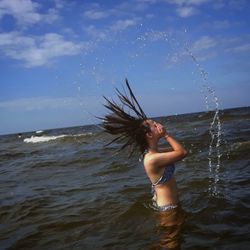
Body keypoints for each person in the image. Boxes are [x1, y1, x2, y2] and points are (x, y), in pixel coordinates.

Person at [101, 79, 187, 211]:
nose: (158, 124)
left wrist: (169, 141)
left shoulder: (154, 153)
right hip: (168, 208)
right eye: (154, 125)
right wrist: (166, 135)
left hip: (170, 204)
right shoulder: (153, 159)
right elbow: (182, 152)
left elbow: (176, 150)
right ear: (149, 135)